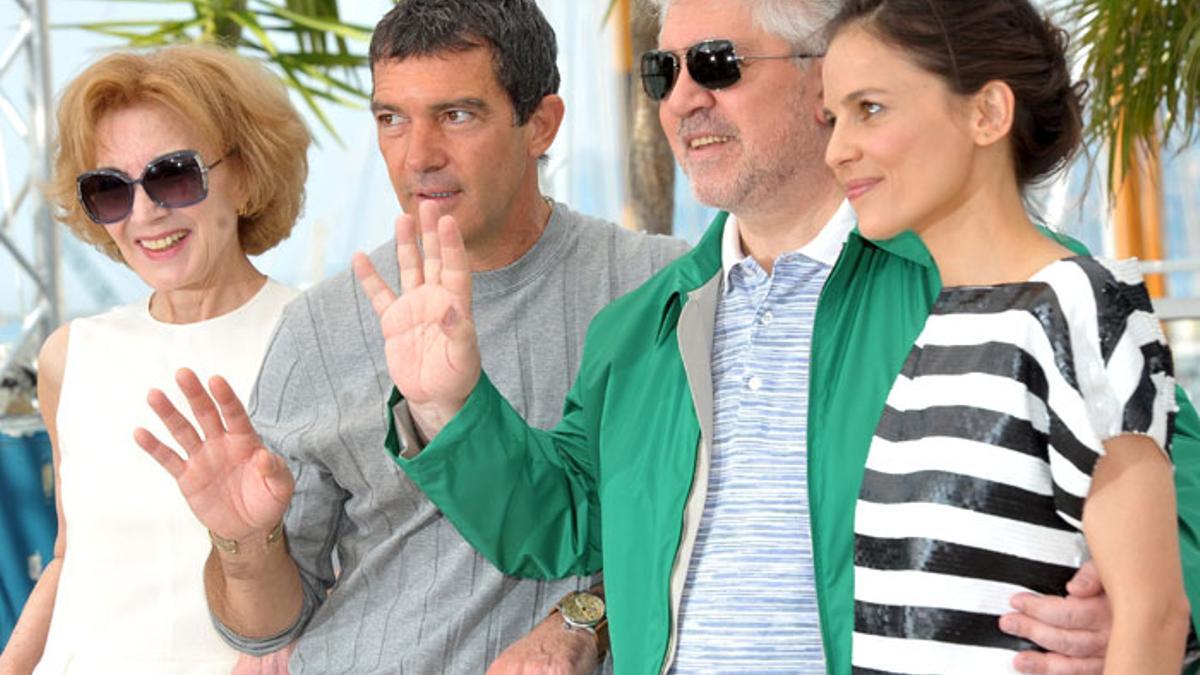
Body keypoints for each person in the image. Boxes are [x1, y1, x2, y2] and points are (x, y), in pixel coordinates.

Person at [363, 0, 1200, 672]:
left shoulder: (998, 284)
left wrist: (1141, 610)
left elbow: (1182, 514)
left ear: (820, 82)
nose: (684, 96)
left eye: (717, 63)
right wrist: (451, 404)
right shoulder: (641, 323)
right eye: (664, 70)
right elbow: (563, 525)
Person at [131, 1, 689, 673]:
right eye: (391, 119)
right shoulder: (320, 326)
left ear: (541, 124)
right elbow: (267, 624)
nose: (417, 156)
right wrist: (244, 541)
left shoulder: (657, 292)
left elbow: (695, 538)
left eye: (456, 115)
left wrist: (579, 621)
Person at [820, 0, 1189, 671]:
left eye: (869, 107)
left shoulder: (1080, 306)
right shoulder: (939, 325)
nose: (837, 148)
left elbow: (1155, 615)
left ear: (987, 113)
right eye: (833, 116)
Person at [0, 46, 308, 674]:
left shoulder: (319, 337)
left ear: (245, 176)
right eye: (108, 189)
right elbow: (69, 557)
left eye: (174, 175)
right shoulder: (72, 355)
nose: (145, 213)